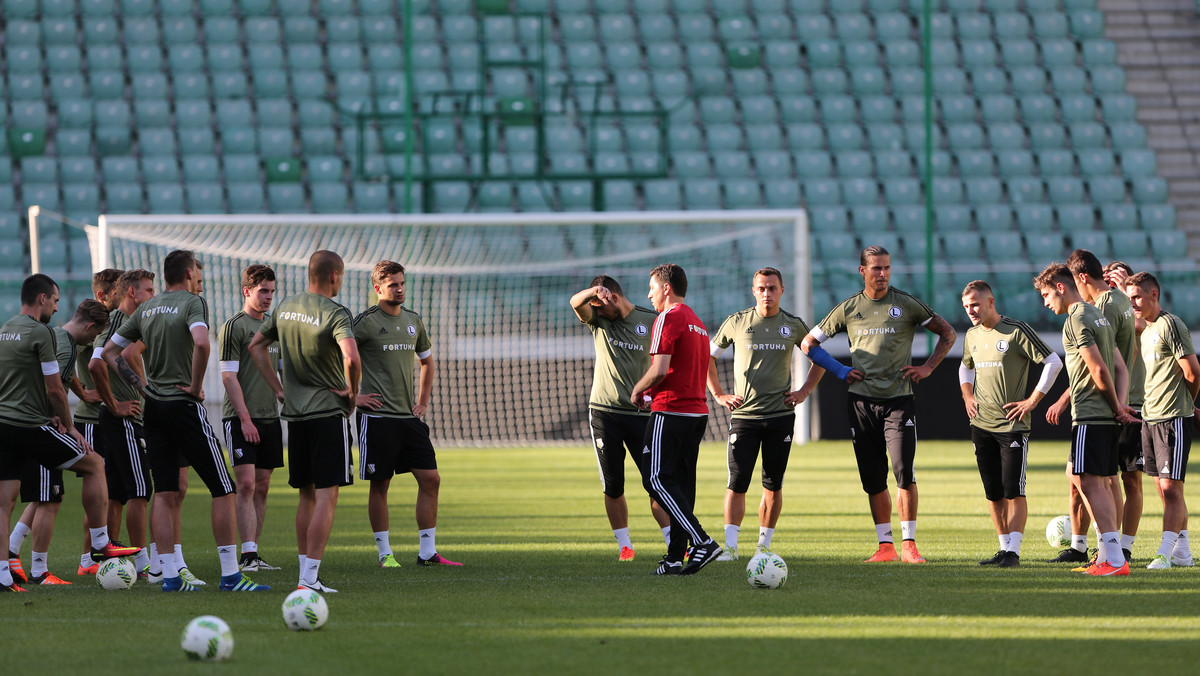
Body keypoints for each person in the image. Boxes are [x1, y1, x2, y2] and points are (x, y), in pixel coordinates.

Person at [101, 250, 267, 592]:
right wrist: (194, 386)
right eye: (197, 272)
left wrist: (145, 387)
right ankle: (231, 576)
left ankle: (171, 577)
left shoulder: (148, 307)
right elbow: (202, 343)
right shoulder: (193, 303)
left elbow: (109, 354)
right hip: (183, 404)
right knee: (223, 488)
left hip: (155, 408)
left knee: (164, 491)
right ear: (189, 272)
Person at [799, 245, 957, 564]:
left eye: (886, 268)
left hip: (899, 400)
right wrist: (841, 370)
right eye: (876, 269)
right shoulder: (848, 308)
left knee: (903, 471)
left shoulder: (906, 304)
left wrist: (927, 367)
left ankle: (909, 544)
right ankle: (885, 546)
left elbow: (948, 333)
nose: (882, 274)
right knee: (873, 477)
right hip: (861, 403)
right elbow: (808, 343)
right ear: (863, 271)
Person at [706, 267, 859, 560]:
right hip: (745, 416)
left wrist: (803, 392)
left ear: (782, 290)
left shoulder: (793, 324)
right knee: (737, 482)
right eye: (761, 288)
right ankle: (731, 548)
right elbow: (707, 358)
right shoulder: (737, 322)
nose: (767, 293)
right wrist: (718, 394)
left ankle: (763, 547)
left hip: (780, 417)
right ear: (754, 291)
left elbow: (818, 357)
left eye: (772, 288)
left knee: (773, 484)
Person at [0, 274, 140, 592]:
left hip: (4, 423)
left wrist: (82, 391)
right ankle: (100, 543)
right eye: (55, 300)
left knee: (5, 501)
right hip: (34, 424)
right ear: (42, 299)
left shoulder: (6, 329)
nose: (55, 306)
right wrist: (71, 427)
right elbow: (54, 388)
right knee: (92, 465)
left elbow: (56, 378)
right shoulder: (44, 334)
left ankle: (3, 574)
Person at [250, 250, 360, 593]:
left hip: (295, 417)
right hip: (328, 413)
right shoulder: (336, 312)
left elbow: (256, 346)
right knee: (328, 496)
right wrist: (352, 393)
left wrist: (279, 389)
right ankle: (309, 578)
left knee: (307, 495)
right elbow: (352, 357)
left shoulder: (285, 306)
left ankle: (305, 575)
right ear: (335, 277)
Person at [354, 260, 461, 568]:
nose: (399, 289)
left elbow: (427, 361)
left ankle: (427, 553)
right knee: (381, 483)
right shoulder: (365, 323)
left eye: (402, 283)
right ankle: (385, 554)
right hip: (376, 418)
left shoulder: (414, 319)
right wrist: (353, 397)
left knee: (431, 479)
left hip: (408, 418)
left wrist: (423, 401)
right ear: (378, 288)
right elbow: (337, 357)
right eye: (392, 285)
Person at [1034, 263, 1137, 576]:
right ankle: (1107, 555)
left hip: (1091, 413)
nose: (1045, 302)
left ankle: (1114, 560)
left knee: (1088, 482)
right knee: (1097, 483)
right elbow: (1120, 366)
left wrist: (1115, 407)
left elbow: (1099, 369)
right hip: (1106, 414)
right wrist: (1118, 405)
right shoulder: (1098, 315)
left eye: (1046, 294)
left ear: (1061, 287)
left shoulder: (1077, 317)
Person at [6, 299, 110, 585]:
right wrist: (60, 420)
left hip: (30, 421)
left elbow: (61, 374)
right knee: (48, 498)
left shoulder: (60, 338)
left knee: (48, 495)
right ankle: (40, 570)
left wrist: (83, 392)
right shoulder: (64, 341)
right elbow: (50, 383)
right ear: (90, 327)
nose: (92, 340)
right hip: (38, 424)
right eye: (94, 334)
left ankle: (12, 551)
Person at [959, 281, 1062, 568]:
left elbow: (1053, 362)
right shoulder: (971, 335)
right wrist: (967, 395)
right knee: (993, 491)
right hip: (981, 425)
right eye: (967, 307)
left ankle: (1014, 552)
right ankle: (1003, 549)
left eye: (976, 304)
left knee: (1013, 489)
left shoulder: (1017, 330)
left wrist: (1032, 401)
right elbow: (965, 365)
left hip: (1012, 427)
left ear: (991, 301)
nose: (971, 311)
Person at [630, 263, 723, 575]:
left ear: (666, 288)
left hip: (671, 411)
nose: (650, 294)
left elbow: (659, 370)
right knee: (680, 486)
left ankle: (702, 541)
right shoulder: (697, 321)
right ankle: (674, 558)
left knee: (655, 478)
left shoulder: (668, 317)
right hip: (696, 413)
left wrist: (637, 389)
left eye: (652, 288)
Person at [570, 275, 670, 561]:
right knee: (613, 485)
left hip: (642, 414)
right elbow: (575, 303)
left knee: (655, 482)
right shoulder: (598, 320)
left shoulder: (652, 320)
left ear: (612, 298)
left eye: (599, 306)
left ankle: (673, 542)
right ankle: (624, 545)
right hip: (604, 413)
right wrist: (592, 292)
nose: (596, 314)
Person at [1124, 272, 1199, 569]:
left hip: (1172, 419)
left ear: (1154, 294)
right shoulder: (1149, 328)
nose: (1133, 303)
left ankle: (1164, 555)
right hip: (1149, 417)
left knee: (1171, 488)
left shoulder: (1171, 325)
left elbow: (1192, 371)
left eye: (1137, 297)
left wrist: (1188, 404)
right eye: (1129, 298)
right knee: (1161, 487)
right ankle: (1183, 552)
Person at [87, 269, 155, 578]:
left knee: (116, 493)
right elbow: (96, 362)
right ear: (132, 293)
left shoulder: (125, 324)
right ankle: (143, 565)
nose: (152, 296)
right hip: (123, 419)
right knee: (140, 490)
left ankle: (110, 557)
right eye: (149, 291)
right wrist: (113, 404)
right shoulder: (118, 322)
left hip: (117, 418)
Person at [218, 264, 283, 573]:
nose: (269, 297)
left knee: (263, 485)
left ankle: (255, 554)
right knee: (244, 484)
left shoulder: (274, 327)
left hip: (270, 417)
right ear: (247, 291)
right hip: (241, 418)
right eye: (263, 291)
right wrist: (244, 419)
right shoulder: (234, 326)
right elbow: (229, 377)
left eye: (271, 291)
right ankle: (246, 555)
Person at [67, 269, 122, 577]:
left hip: (106, 416)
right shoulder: (95, 326)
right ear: (104, 295)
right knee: (97, 488)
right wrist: (85, 393)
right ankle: (88, 557)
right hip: (91, 419)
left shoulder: (114, 324)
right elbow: (67, 358)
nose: (125, 293)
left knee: (112, 489)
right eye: (119, 290)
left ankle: (102, 550)